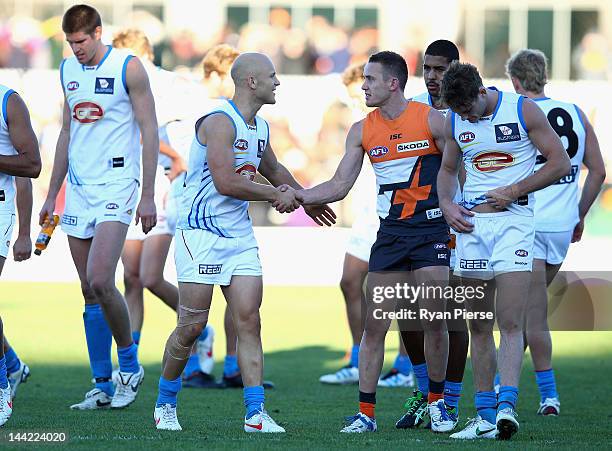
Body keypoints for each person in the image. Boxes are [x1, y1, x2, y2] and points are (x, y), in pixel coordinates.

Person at [153, 52, 335, 432]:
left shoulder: (260, 127)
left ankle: (255, 414)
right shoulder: (219, 122)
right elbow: (226, 181)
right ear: (251, 81)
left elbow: (275, 170)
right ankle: (165, 403)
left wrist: (305, 200)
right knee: (192, 325)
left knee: (249, 321)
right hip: (200, 234)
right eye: (272, 76)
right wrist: (275, 196)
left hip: (238, 236)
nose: (278, 82)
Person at [299, 50, 454, 433]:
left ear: (393, 83)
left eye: (370, 79)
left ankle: (438, 405)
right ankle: (365, 415)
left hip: (431, 233)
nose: (363, 85)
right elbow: (338, 185)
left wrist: (458, 210)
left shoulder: (433, 120)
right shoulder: (362, 129)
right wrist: (297, 195)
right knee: (375, 327)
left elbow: (459, 166)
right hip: (390, 237)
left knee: (433, 321)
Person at [437, 62, 570, 440]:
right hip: (471, 228)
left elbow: (559, 163)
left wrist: (513, 191)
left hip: (514, 224)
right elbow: (448, 170)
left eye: (468, 109)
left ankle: (506, 407)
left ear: (482, 91)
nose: (465, 117)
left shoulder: (522, 109)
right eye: (458, 112)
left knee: (510, 321)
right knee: (477, 325)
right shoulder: (453, 120)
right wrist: (447, 203)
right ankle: (483, 414)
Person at [39, 4, 159, 410]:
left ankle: (129, 364)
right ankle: (102, 384)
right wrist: (51, 194)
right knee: (89, 290)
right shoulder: (67, 70)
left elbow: (149, 129)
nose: (77, 50)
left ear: (98, 33)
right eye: (71, 43)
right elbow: (67, 131)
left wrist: (147, 193)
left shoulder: (129, 67)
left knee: (102, 278)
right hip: (78, 187)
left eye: (82, 42)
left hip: (119, 181)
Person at [111, 28, 218, 388]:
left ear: (142, 56)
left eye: (122, 55)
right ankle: (129, 358)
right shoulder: (120, 84)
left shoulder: (171, 86)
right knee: (131, 278)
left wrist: (180, 160)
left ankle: (199, 330)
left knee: (150, 276)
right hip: (129, 181)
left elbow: (171, 134)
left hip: (162, 184)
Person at [505, 49, 606, 416]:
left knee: (530, 315)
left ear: (515, 81)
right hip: (562, 225)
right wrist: (579, 214)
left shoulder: (519, 112)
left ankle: (547, 396)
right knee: (529, 312)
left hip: (529, 221)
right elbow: (597, 171)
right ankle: (508, 383)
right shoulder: (575, 113)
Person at [319, 62, 414, 389]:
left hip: (397, 214)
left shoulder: (404, 119)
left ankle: (405, 364)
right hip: (367, 214)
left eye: (361, 92)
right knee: (349, 280)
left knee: (402, 292)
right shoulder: (362, 127)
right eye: (351, 99)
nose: (357, 102)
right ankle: (359, 357)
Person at [396, 39, 469, 430]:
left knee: (450, 316)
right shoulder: (414, 109)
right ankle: (426, 393)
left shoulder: (467, 106)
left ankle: (450, 401)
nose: (431, 76)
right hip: (412, 223)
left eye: (439, 69)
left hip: (455, 222)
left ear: (455, 68)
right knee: (407, 308)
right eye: (427, 68)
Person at [0, 85, 41, 426]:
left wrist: (25, 233)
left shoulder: (9, 101)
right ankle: (12, 365)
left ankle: (1, 390)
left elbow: (30, 166)